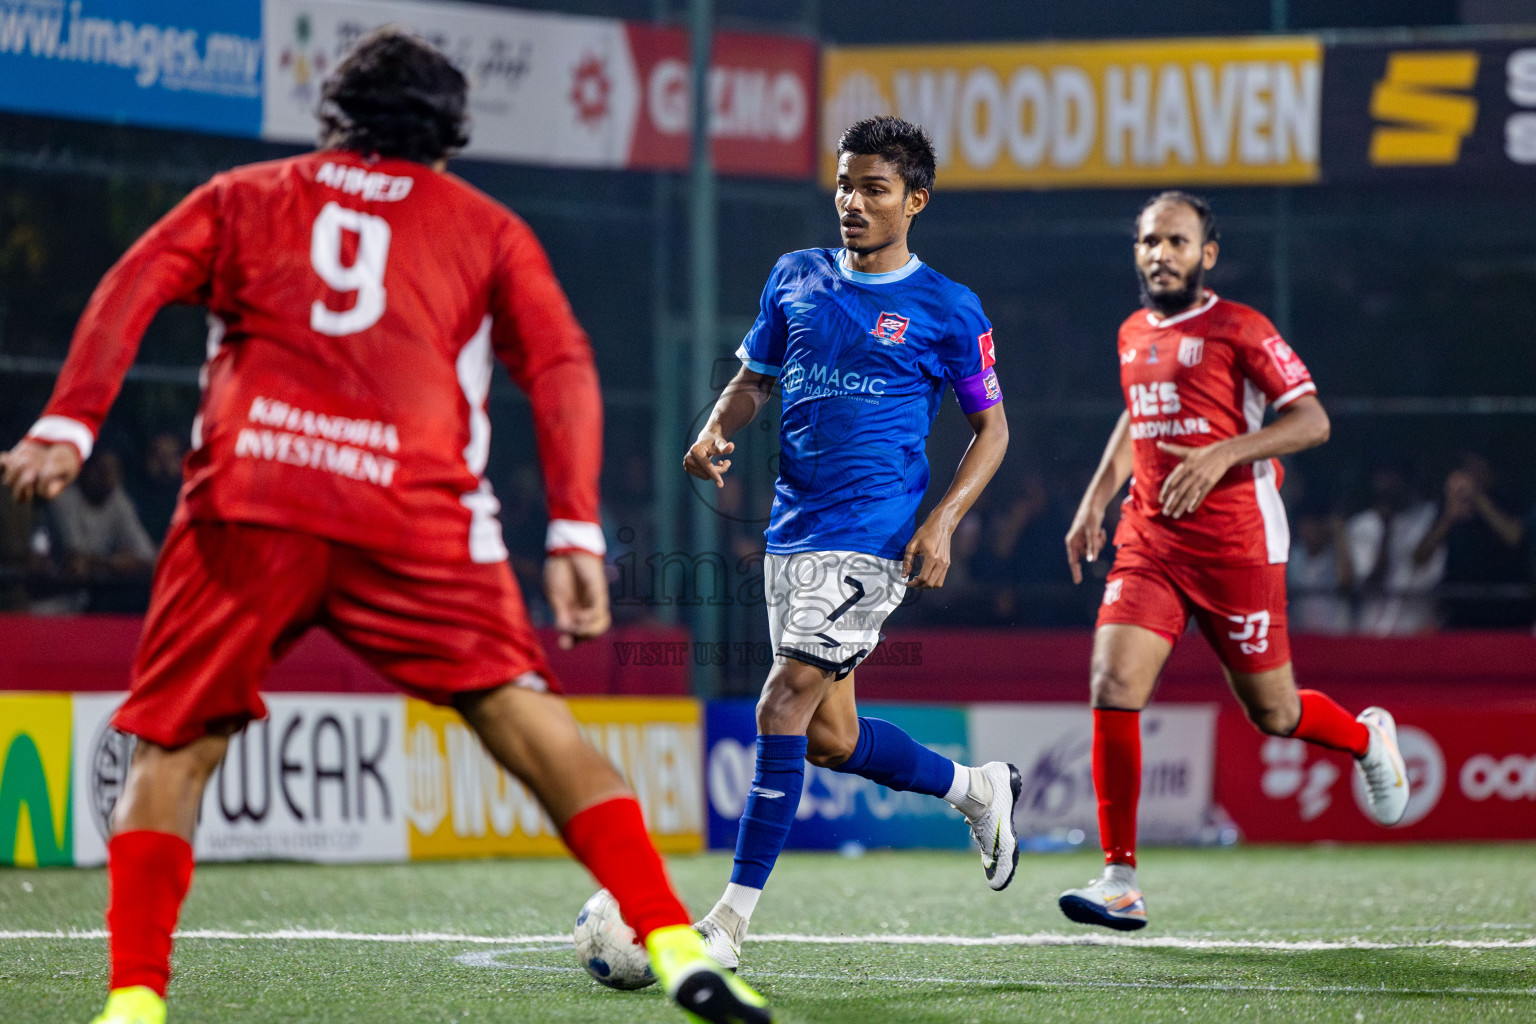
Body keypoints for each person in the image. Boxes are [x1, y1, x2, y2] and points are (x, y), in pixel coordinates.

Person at [0, 29, 767, 1024]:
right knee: (527, 719)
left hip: (254, 497)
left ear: (332, 118)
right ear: (448, 137)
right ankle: (675, 945)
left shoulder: (242, 197)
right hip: (409, 510)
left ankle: (136, 1004)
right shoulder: (485, 227)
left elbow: (132, 280)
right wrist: (575, 531)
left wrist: (68, 423)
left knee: (173, 748)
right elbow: (562, 365)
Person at [683, 116, 1018, 969]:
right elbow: (754, 379)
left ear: (915, 201)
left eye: (874, 188)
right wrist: (717, 427)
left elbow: (993, 430)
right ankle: (976, 789)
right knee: (829, 738)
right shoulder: (794, 275)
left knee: (779, 705)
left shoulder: (947, 307)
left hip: (871, 539)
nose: (853, 203)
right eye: (844, 185)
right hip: (791, 533)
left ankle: (726, 925)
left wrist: (943, 520)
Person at [1060, 191, 1410, 930]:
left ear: (1207, 255)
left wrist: (1225, 453)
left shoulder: (1241, 328)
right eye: (1149, 241)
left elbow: (1311, 421)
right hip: (1150, 540)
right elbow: (1137, 416)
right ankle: (1120, 878)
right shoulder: (1131, 332)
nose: (1161, 254)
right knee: (1112, 682)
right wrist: (1095, 498)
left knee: (1275, 713)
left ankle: (1365, 739)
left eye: (1177, 241)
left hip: (1237, 545)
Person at [1414, 453, 1528, 628]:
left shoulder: (1507, 500)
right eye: (1467, 469)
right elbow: (1419, 558)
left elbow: (1515, 538)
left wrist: (1479, 500)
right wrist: (1449, 517)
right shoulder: (1447, 507)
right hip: (1458, 611)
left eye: (1477, 469)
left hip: (1505, 611)